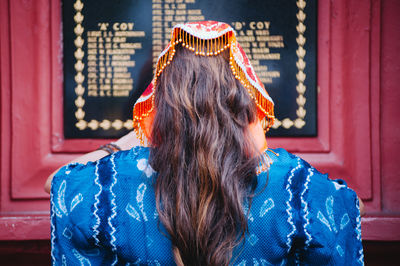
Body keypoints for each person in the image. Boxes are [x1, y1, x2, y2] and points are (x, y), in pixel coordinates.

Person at [46, 21, 364, 265]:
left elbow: (56, 183)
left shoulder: (116, 182)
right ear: (243, 102)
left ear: (162, 106)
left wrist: (131, 140)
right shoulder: (290, 185)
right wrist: (259, 149)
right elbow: (350, 205)